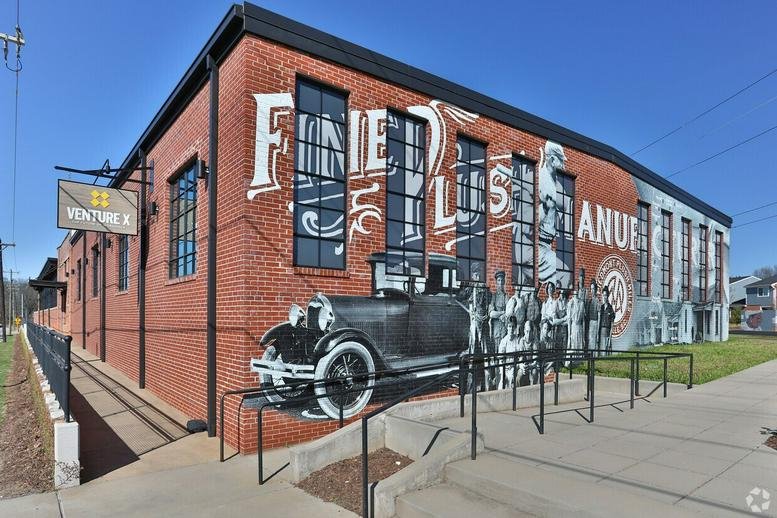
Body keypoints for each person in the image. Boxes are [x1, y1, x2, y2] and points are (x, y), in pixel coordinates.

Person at [537, 141, 567, 285]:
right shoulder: (541, 181)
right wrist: (544, 206)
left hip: (548, 244)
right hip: (537, 245)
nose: (563, 166)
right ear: (552, 159)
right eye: (561, 161)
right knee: (562, 273)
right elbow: (531, 223)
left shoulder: (555, 183)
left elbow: (566, 204)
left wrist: (554, 198)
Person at [488, 270, 508, 390]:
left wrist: (502, 314)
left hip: (505, 332)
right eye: (498, 280)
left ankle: (504, 382)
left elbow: (510, 313)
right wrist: (501, 313)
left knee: (505, 358)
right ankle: (496, 383)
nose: (500, 283)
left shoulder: (507, 297)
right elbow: (491, 313)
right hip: (496, 333)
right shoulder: (493, 297)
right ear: (496, 282)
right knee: (496, 357)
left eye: (502, 280)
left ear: (504, 282)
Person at [497, 316, 521, 389]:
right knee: (502, 384)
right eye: (509, 326)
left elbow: (519, 356)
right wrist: (503, 372)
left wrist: (515, 367)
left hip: (514, 368)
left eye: (513, 327)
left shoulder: (517, 340)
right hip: (505, 368)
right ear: (507, 327)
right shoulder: (504, 341)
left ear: (515, 328)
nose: (511, 329)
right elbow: (500, 359)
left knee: (512, 383)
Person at [566, 288, 586, 367]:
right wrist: (569, 334)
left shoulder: (581, 303)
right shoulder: (570, 303)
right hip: (573, 327)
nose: (576, 293)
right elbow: (569, 320)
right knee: (573, 344)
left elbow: (583, 320)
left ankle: (579, 362)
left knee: (579, 343)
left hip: (579, 327)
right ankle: (572, 362)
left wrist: (583, 333)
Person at [599, 286, 616, 355]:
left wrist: (610, 335)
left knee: (607, 351)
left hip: (607, 331)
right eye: (603, 295)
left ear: (608, 296)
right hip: (601, 331)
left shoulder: (610, 308)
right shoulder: (601, 307)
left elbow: (612, 323)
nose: (604, 297)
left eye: (605, 295)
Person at [585, 279, 602, 354]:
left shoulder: (598, 301)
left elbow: (599, 317)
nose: (592, 291)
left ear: (596, 290)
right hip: (590, 323)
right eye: (591, 289)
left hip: (595, 323)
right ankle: (589, 356)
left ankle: (594, 357)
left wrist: (598, 330)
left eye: (593, 289)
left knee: (594, 341)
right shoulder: (590, 301)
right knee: (590, 341)